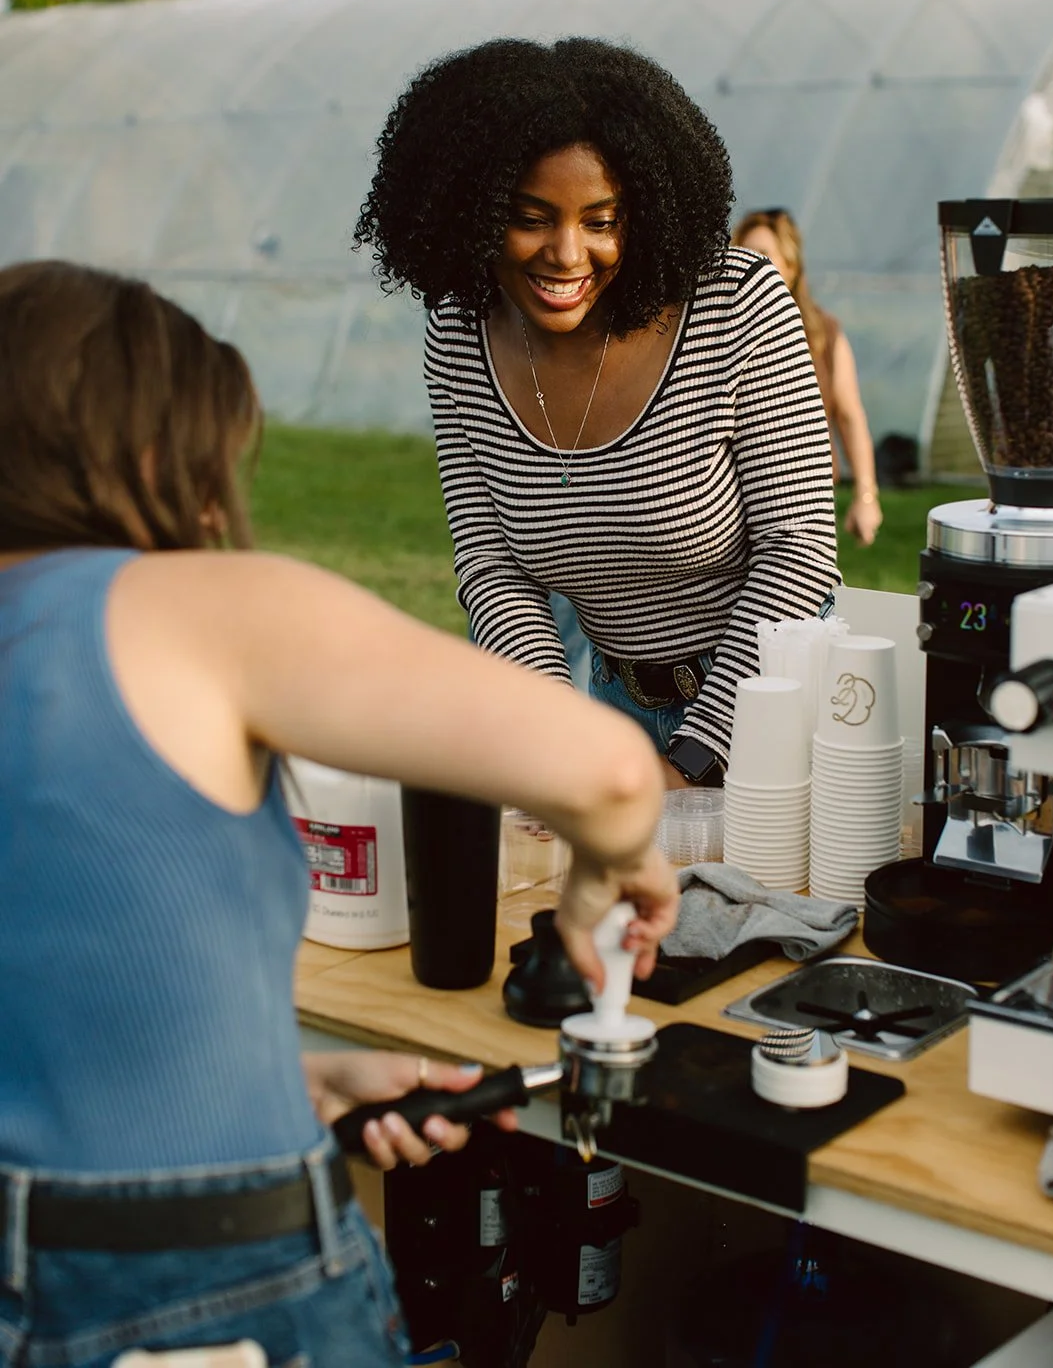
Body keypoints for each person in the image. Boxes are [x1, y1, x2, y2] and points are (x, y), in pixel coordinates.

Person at [0, 260, 676, 1365]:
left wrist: (289, 1082)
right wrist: (600, 881)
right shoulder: (184, 605)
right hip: (202, 1296)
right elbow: (607, 770)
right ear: (148, 452)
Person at [353, 37, 839, 791]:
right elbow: (492, 565)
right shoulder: (457, 331)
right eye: (530, 218)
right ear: (471, 211)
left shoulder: (733, 303)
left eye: (602, 221)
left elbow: (797, 551)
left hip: (773, 718)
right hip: (606, 708)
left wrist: (693, 758)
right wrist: (562, 739)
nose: (567, 253)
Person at [732, 209, 883, 548]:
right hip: (736, 511)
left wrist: (866, 496)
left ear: (791, 265)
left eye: (764, 256)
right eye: (744, 255)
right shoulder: (718, 334)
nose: (751, 267)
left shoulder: (824, 334)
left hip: (802, 504)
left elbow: (849, 414)